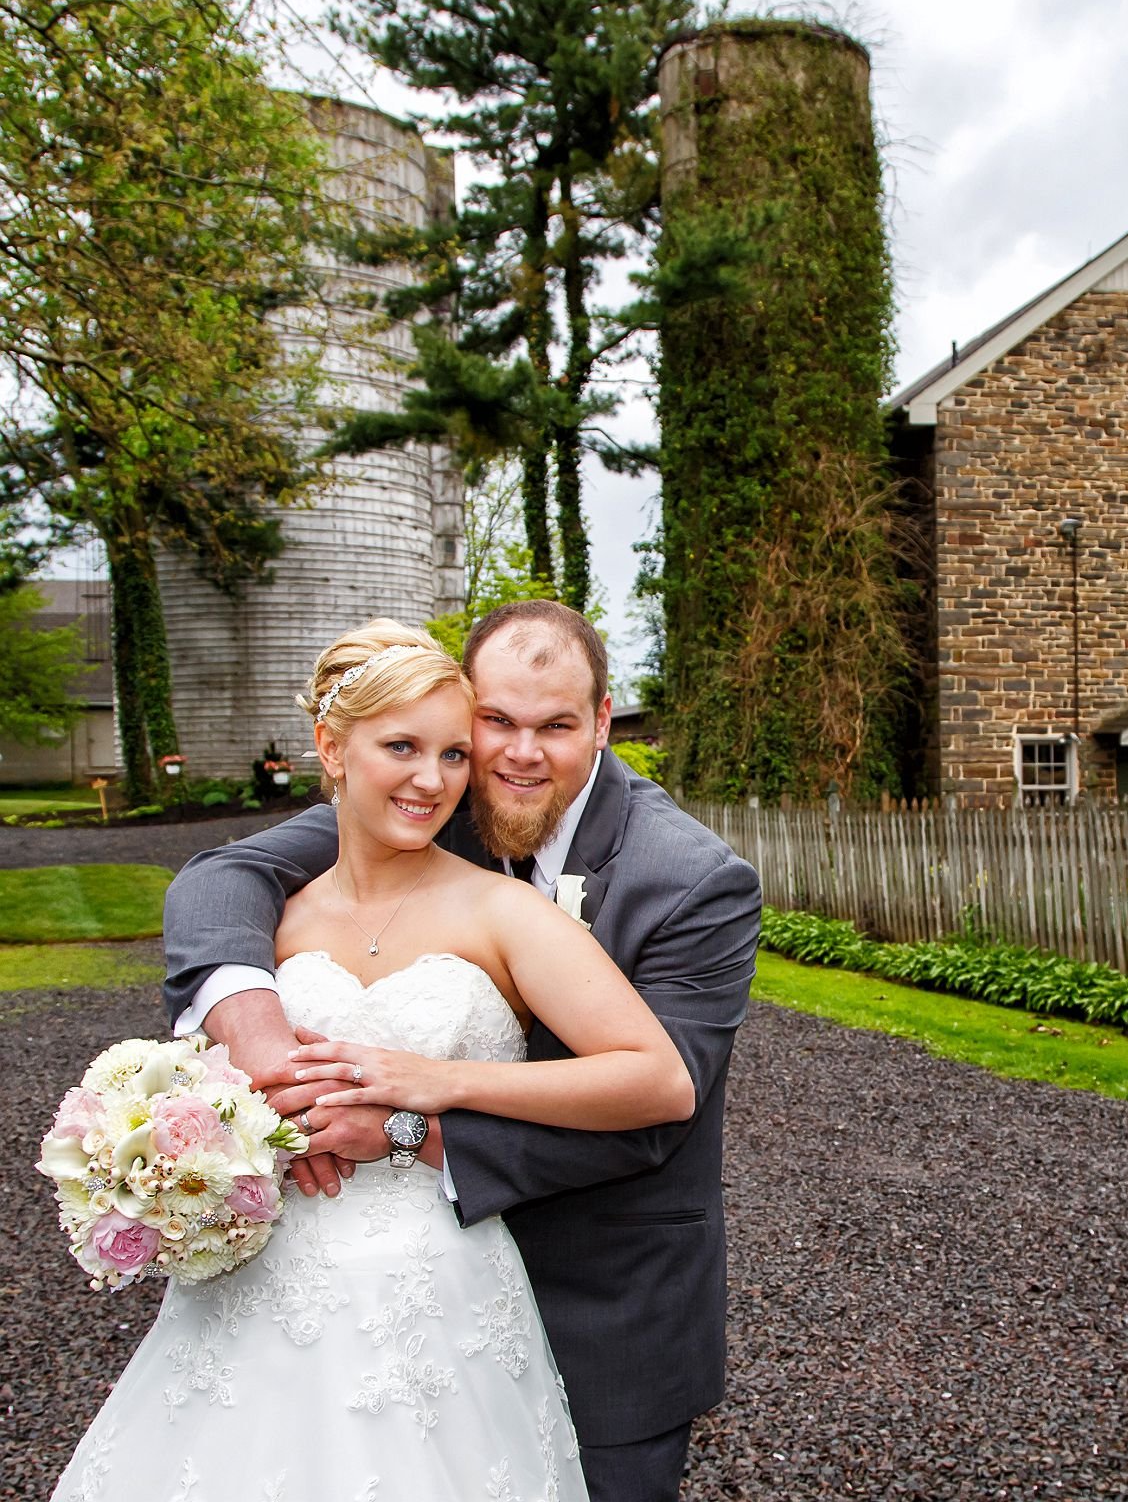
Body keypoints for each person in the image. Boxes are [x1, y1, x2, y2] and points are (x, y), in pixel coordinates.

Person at [149, 603, 760, 1502]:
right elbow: (220, 880)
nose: (519, 754)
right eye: (497, 722)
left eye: (555, 726)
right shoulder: (431, 799)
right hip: (353, 1288)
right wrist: (266, 1050)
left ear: (601, 721)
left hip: (601, 1291)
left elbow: (655, 1115)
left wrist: (406, 1120)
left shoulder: (691, 880)